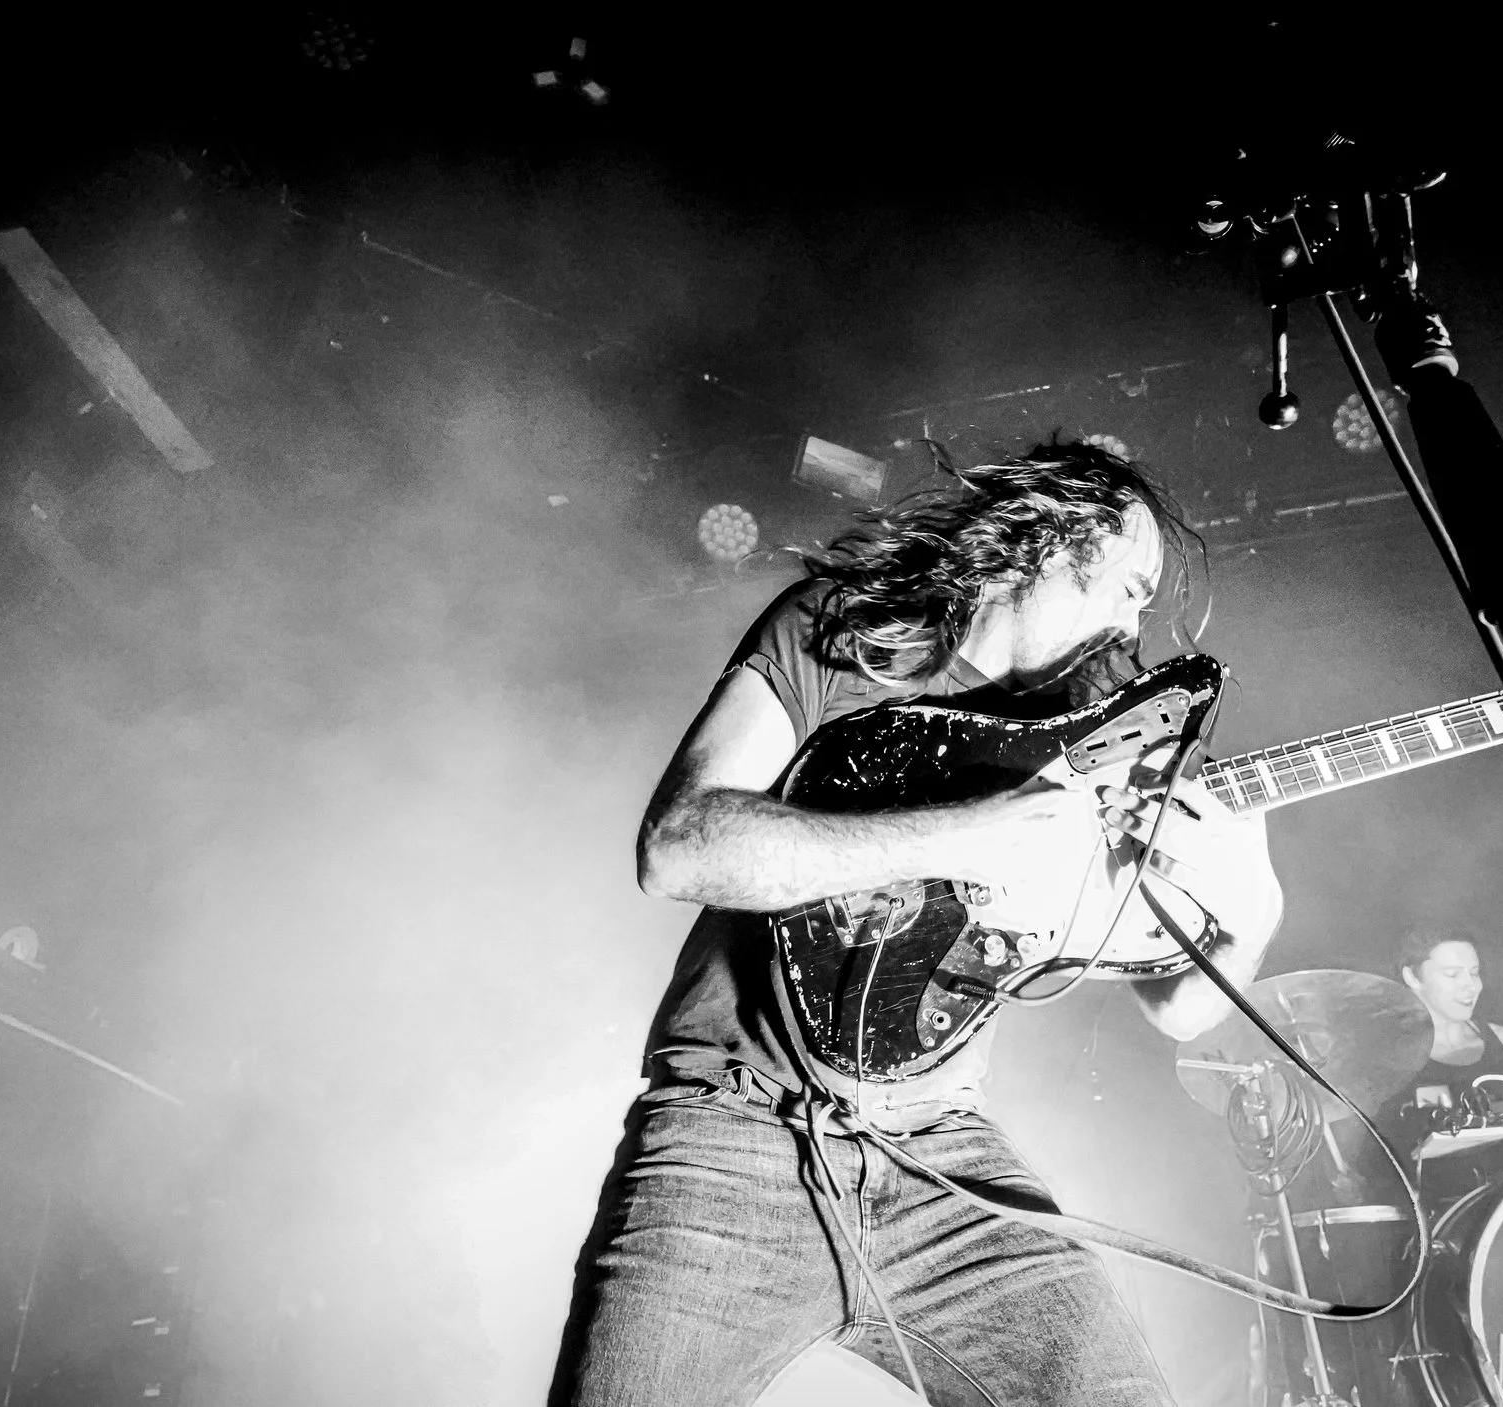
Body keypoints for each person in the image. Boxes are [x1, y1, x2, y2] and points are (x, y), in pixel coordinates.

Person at [549, 442, 1286, 1407]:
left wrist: (1256, 908)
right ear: (1045, 542)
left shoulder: (1094, 737)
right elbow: (680, 846)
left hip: (941, 1155)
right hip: (730, 1139)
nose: (1136, 620)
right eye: (1130, 585)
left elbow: (1180, 1011)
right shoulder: (853, 631)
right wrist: (965, 836)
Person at [1396, 925, 1503, 1113]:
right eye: (1452, 974)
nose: (1471, 986)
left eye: (1474, 973)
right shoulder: (1387, 1057)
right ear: (1412, 977)